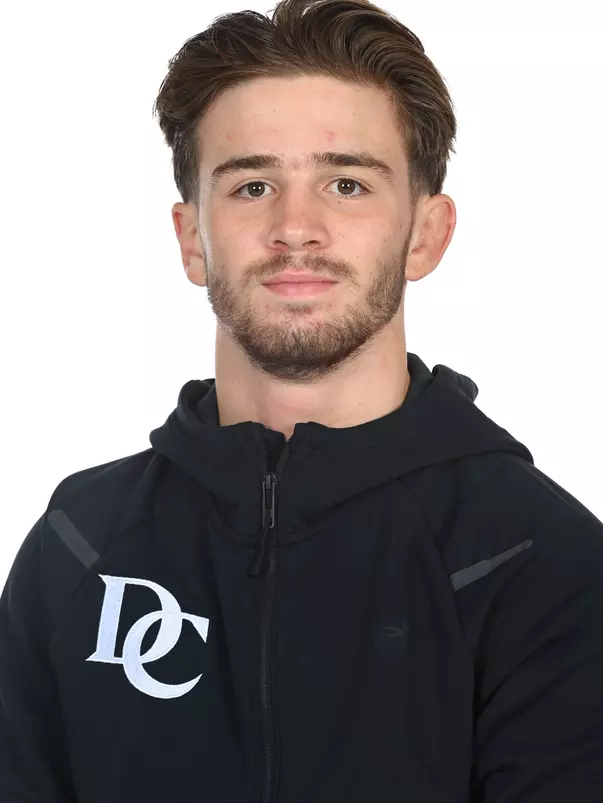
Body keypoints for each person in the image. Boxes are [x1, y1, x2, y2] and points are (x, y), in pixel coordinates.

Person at [2, 0, 603, 800]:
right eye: (252, 184)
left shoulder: (540, 561)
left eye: (346, 183)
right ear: (191, 237)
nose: (295, 227)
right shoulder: (79, 544)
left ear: (425, 235)